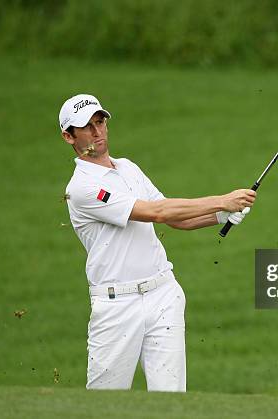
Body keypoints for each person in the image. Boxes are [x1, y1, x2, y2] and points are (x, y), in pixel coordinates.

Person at [58, 94, 256, 392]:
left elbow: (176, 219)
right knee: (103, 405)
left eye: (100, 122)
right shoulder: (82, 188)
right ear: (68, 136)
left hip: (163, 294)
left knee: (171, 399)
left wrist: (220, 215)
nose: (97, 132)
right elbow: (155, 213)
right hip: (116, 305)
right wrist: (221, 199)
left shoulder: (128, 168)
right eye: (86, 127)